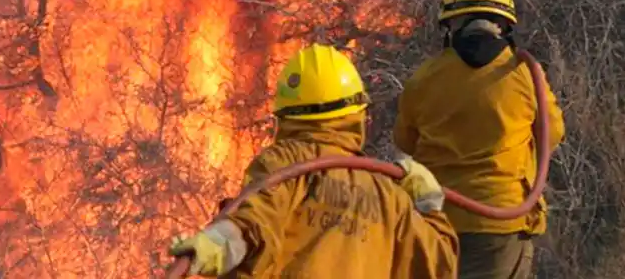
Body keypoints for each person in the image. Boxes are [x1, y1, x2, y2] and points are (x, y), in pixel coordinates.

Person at [169, 43, 459, 278]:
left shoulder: (286, 165)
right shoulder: (389, 196)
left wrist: (216, 244)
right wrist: (428, 203)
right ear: (358, 116)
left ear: (286, 117)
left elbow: (255, 219)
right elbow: (440, 265)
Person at [393, 0, 566, 279]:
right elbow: (552, 135)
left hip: (438, 222)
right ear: (504, 24)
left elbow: (404, 142)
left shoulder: (424, 80)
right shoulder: (525, 75)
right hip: (502, 227)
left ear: (452, 23)